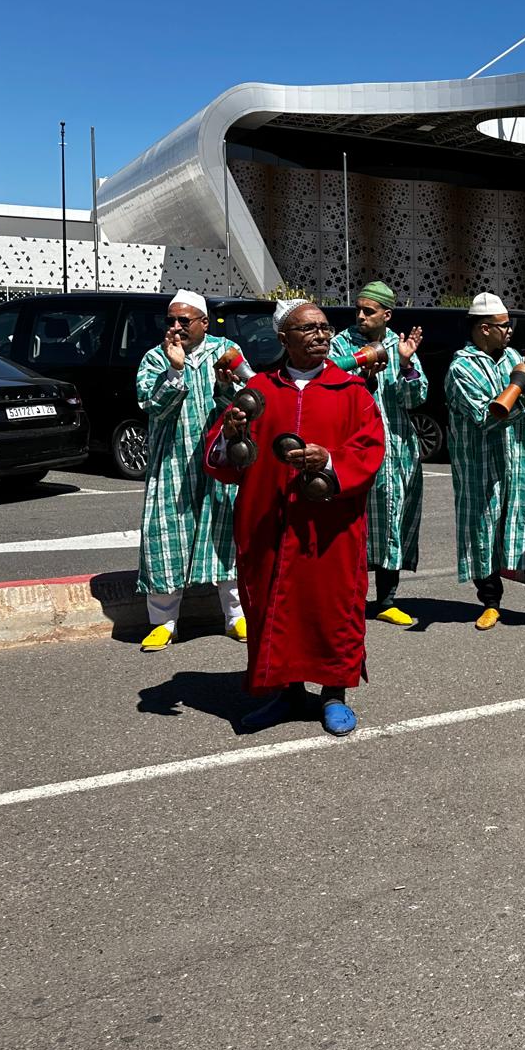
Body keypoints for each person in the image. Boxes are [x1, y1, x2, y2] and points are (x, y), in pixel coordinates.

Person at [205, 300, 385, 737]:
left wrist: (329, 459)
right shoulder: (259, 391)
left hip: (329, 529)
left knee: (332, 608)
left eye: (325, 327)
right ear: (283, 338)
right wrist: (231, 435)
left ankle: (334, 694)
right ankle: (285, 692)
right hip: (269, 522)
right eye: (308, 329)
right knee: (273, 606)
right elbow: (224, 458)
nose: (321, 335)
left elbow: (371, 450)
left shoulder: (352, 391)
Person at [444, 292, 525, 631]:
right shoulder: (461, 368)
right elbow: (487, 416)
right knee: (484, 531)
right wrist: (520, 383)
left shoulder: (513, 355)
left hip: (520, 460)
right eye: (504, 325)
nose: (510, 331)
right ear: (484, 329)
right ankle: (490, 603)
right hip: (480, 465)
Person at [134, 289, 246, 651]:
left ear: (204, 322)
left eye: (185, 320)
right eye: (171, 321)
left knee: (225, 532)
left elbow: (248, 399)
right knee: (166, 536)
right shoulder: (155, 358)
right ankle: (164, 623)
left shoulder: (225, 351)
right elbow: (153, 406)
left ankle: (236, 616)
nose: (177, 327)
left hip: (220, 458)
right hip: (172, 462)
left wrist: (226, 386)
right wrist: (176, 369)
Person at [330, 282, 427, 628]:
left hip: (397, 450)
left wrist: (405, 363)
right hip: (353, 451)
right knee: (351, 526)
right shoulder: (340, 344)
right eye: (358, 309)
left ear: (387, 315)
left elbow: (415, 398)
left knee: (392, 523)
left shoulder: (399, 344)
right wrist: (361, 374)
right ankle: (350, 599)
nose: (360, 316)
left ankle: (387, 599)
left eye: (369, 311)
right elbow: (326, 382)